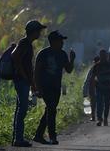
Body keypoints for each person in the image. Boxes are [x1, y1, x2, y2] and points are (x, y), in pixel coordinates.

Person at [32, 30, 75, 145]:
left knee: (49, 110)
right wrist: (37, 87)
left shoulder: (62, 54)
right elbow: (36, 72)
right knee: (51, 110)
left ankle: (38, 135)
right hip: (45, 86)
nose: (62, 43)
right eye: (60, 41)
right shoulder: (43, 54)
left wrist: (72, 59)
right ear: (53, 41)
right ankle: (52, 136)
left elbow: (69, 70)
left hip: (56, 87)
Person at [10, 19, 46, 147]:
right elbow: (15, 58)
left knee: (20, 109)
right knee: (22, 109)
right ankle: (18, 139)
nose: (40, 33)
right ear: (34, 31)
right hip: (21, 80)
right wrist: (24, 75)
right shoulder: (24, 43)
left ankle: (17, 138)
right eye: (39, 31)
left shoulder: (27, 44)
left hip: (23, 80)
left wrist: (31, 82)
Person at [92, 49, 110, 127]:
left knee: (107, 104)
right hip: (99, 87)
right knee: (99, 104)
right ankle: (99, 119)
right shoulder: (96, 65)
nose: (103, 57)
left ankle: (105, 117)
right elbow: (93, 77)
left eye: (104, 55)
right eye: (101, 55)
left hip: (108, 87)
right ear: (100, 56)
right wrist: (92, 88)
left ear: (106, 56)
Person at [83, 56, 98, 122]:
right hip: (92, 88)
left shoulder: (101, 68)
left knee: (97, 103)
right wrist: (85, 90)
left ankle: (96, 116)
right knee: (93, 103)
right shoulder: (92, 69)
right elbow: (87, 80)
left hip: (99, 88)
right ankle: (94, 116)